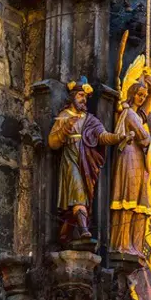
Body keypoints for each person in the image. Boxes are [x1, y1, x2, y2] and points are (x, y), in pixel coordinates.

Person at [105, 57, 151, 257]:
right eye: (139, 94)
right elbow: (145, 138)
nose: (142, 98)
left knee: (139, 203)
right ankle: (122, 243)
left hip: (138, 159)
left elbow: (145, 112)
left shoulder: (136, 114)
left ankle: (134, 245)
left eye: (144, 95)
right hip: (129, 157)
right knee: (128, 199)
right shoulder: (128, 114)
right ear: (132, 94)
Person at [48, 79, 107, 243]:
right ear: (73, 96)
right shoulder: (64, 116)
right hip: (70, 161)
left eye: (86, 97)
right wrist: (66, 127)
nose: (84, 99)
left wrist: (119, 137)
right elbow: (52, 143)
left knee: (82, 197)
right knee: (78, 193)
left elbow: (103, 136)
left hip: (87, 163)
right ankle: (83, 230)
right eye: (81, 95)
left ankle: (66, 232)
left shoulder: (90, 119)